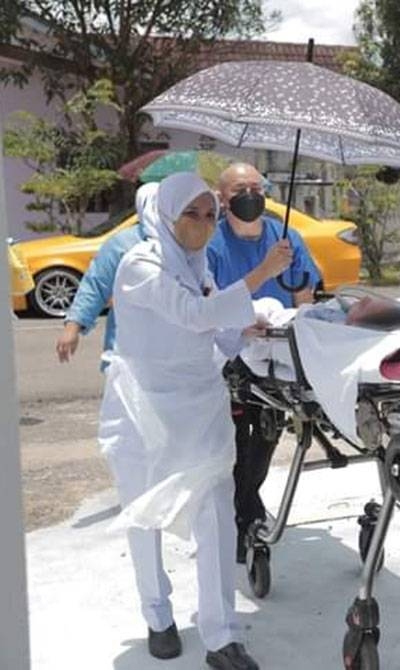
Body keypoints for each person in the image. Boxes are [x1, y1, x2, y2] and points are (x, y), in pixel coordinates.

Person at [99, 172, 292, 669]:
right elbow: (190, 315)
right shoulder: (140, 264)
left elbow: (215, 334)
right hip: (146, 409)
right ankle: (158, 614)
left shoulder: (197, 264)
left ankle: (222, 636)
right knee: (146, 516)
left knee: (216, 517)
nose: (204, 226)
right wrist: (258, 276)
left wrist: (244, 328)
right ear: (167, 215)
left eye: (210, 216)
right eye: (193, 214)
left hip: (200, 404)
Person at [208, 162, 320, 563]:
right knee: (241, 440)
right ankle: (244, 516)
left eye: (257, 186)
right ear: (223, 198)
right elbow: (211, 306)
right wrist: (264, 272)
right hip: (234, 354)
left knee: (266, 438)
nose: (251, 194)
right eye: (241, 188)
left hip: (282, 354)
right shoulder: (212, 245)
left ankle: (247, 503)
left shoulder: (285, 237)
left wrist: (304, 322)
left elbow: (306, 289)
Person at [56, 183, 159, 367]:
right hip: (128, 346)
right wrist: (72, 327)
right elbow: (96, 285)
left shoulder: (187, 244)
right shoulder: (122, 244)